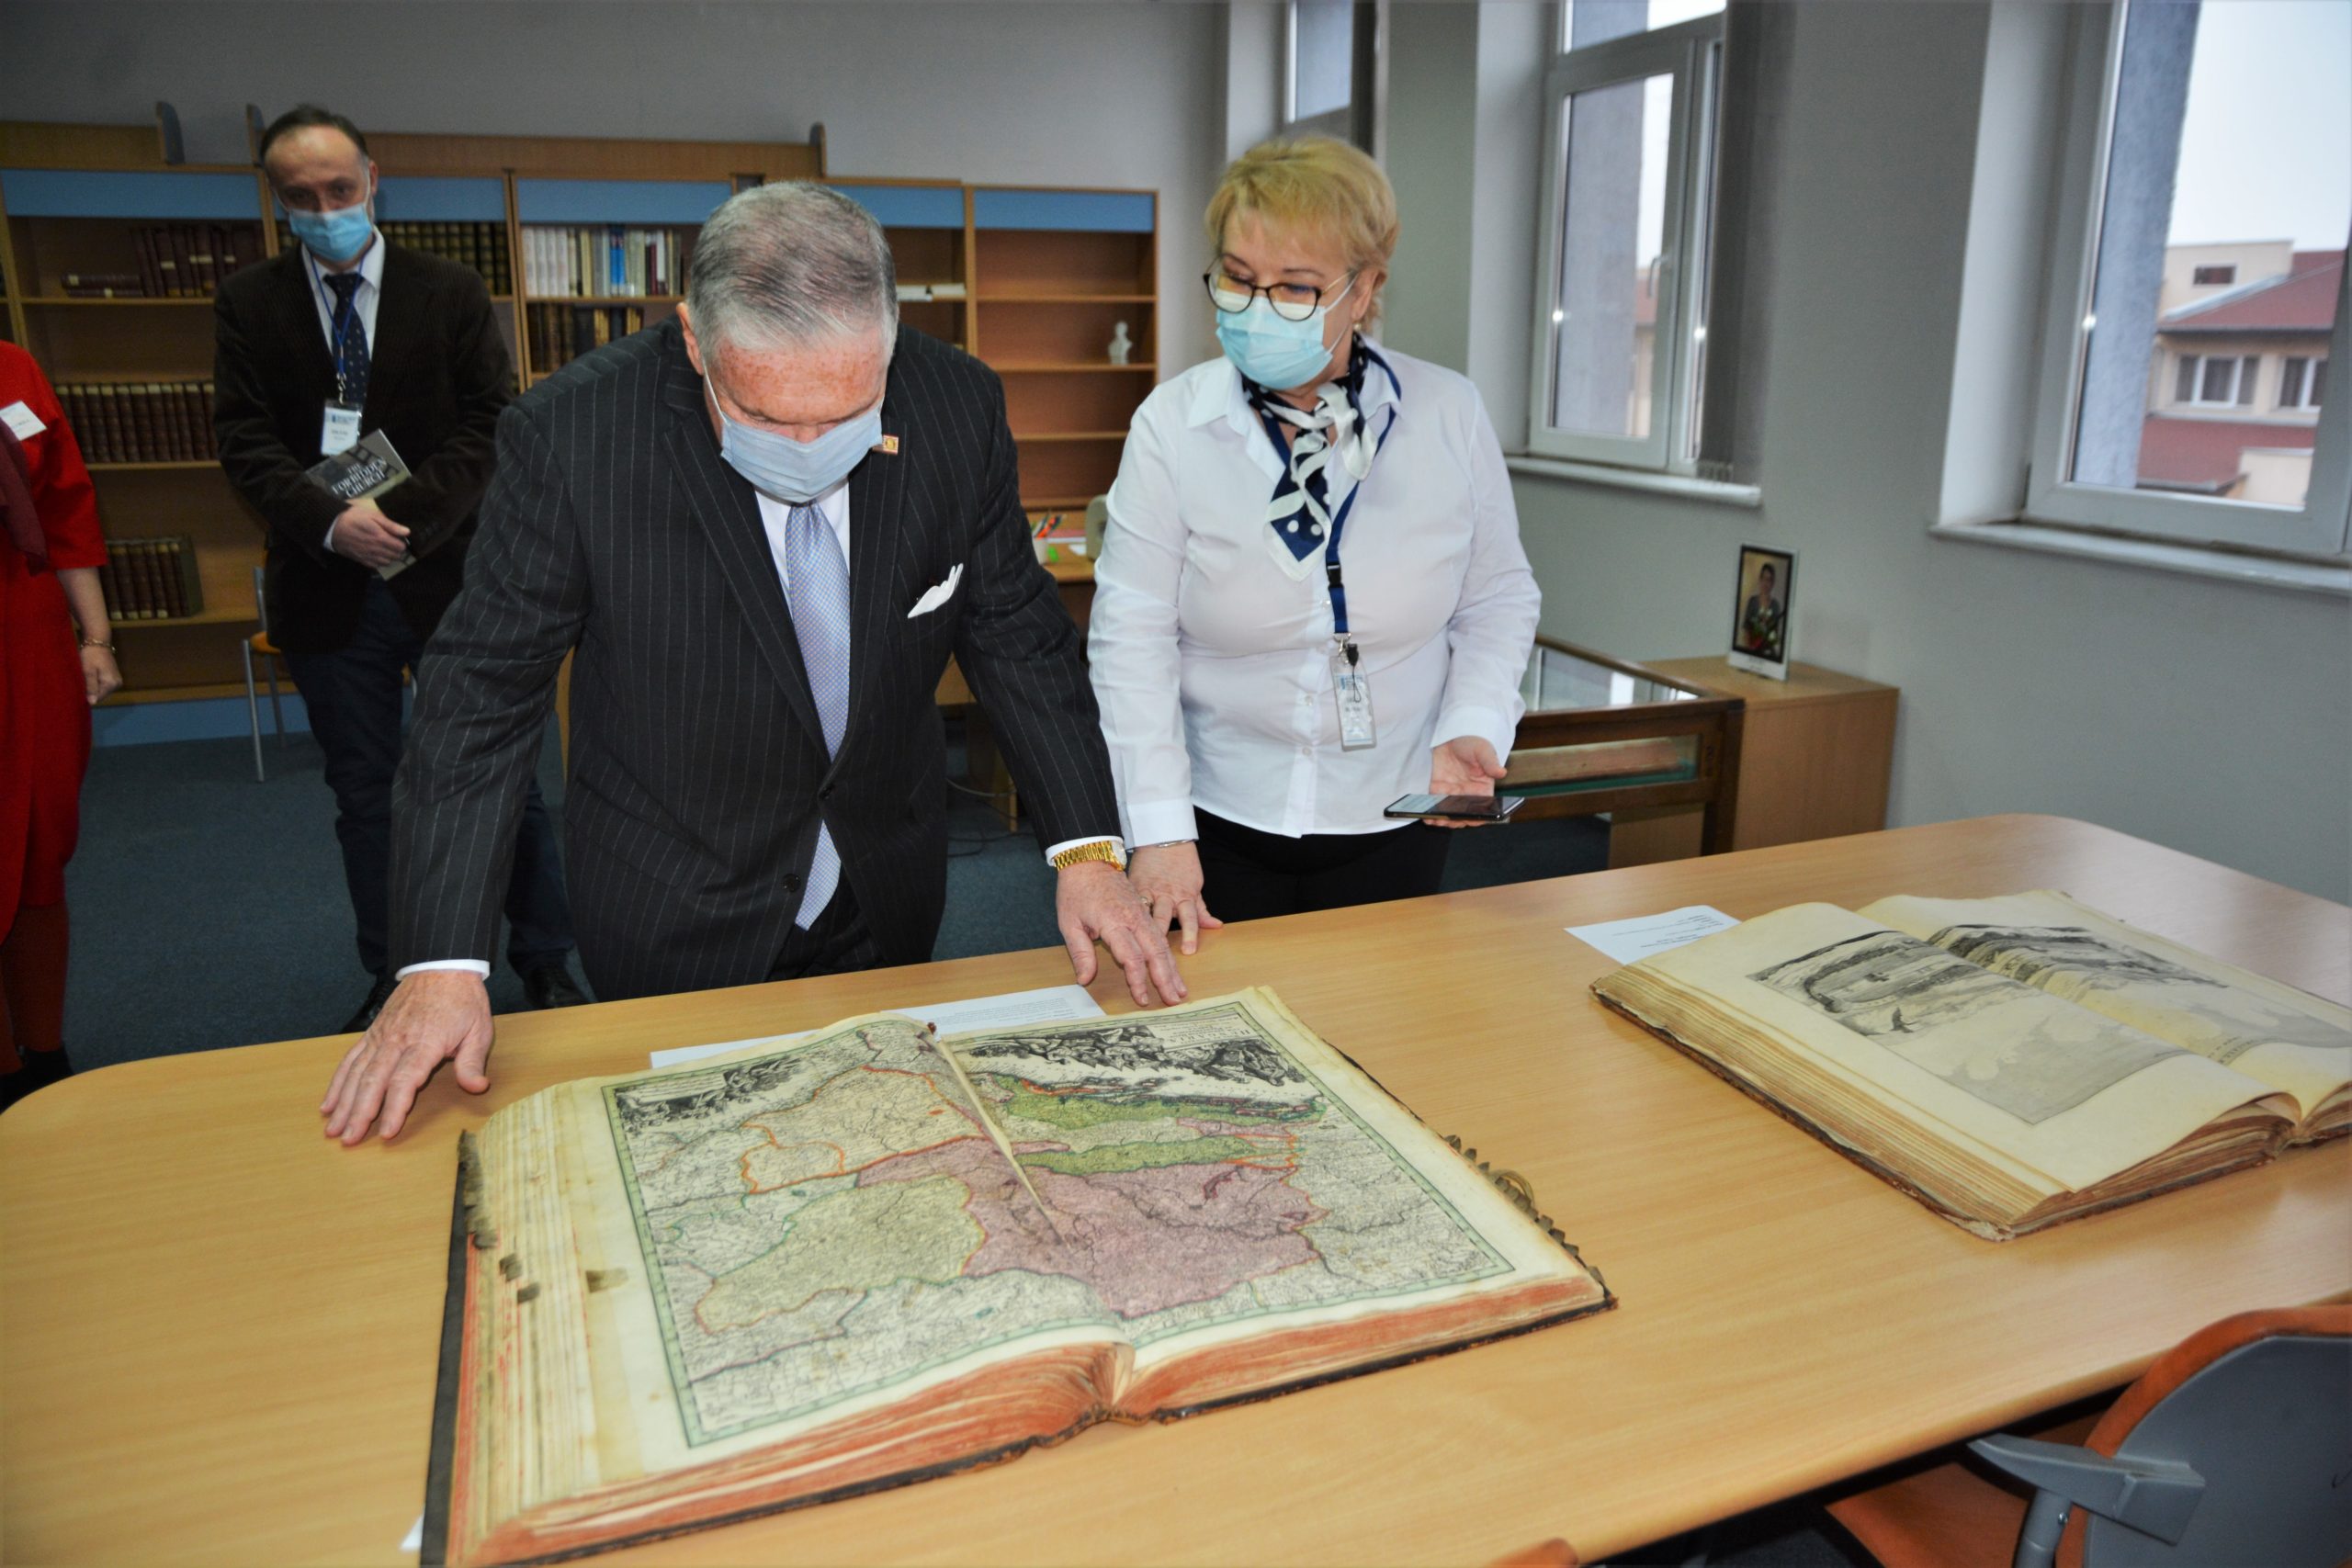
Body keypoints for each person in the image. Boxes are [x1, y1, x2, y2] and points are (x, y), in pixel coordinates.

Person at [320, 182, 1182, 1145]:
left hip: (882, 881)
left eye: (847, 412)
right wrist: (442, 963)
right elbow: (478, 701)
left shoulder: (958, 405)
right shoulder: (575, 439)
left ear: (892, 335)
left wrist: (1089, 850)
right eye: (770, 418)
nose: (812, 447)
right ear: (693, 341)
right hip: (675, 893)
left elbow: (1018, 634)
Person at [1087, 138, 1541, 939]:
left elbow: (1498, 595)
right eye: (1236, 278)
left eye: (1296, 287)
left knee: (1377, 1038)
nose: (1256, 308)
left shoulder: (1447, 413)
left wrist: (1473, 723)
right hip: (1213, 813)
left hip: (1395, 808)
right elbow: (1131, 636)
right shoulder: (1173, 423)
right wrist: (1157, 829)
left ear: (1366, 289)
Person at [215, 105, 582, 1033]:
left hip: (451, 577)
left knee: (505, 778)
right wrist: (332, 525)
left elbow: (490, 422)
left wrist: (397, 521)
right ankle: (395, 972)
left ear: (373, 179)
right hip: (328, 589)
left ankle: (544, 958)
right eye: (302, 198)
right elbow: (244, 442)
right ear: (280, 204)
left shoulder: (449, 290)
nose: (325, 208)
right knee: (366, 794)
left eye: (340, 189)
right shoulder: (249, 303)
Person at [0, 342, 119, 1111]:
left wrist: (97, 637)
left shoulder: (14, 368)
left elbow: (66, 508)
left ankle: (44, 1050)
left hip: (27, 630)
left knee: (41, 836)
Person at [1739, 561, 1785, 660]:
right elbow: (1746, 629)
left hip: (1769, 654)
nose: (1765, 583)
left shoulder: (1775, 605)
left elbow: (1775, 635)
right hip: (1752, 652)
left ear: (1772, 583)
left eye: (1769, 580)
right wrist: (1750, 650)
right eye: (1763, 578)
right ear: (1760, 580)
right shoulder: (1752, 601)